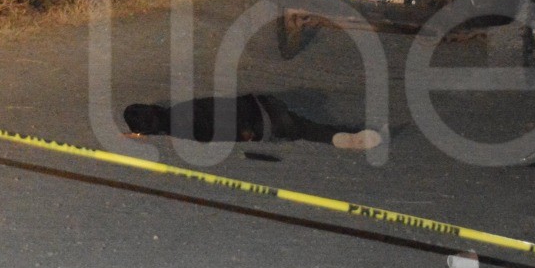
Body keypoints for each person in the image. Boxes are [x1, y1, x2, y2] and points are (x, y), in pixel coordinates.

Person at [122, 93, 382, 151]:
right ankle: (343, 136)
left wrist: (244, 133)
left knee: (304, 129)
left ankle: (341, 137)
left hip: (260, 125)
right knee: (305, 126)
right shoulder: (182, 110)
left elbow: (214, 132)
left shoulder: (180, 127)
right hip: (260, 106)